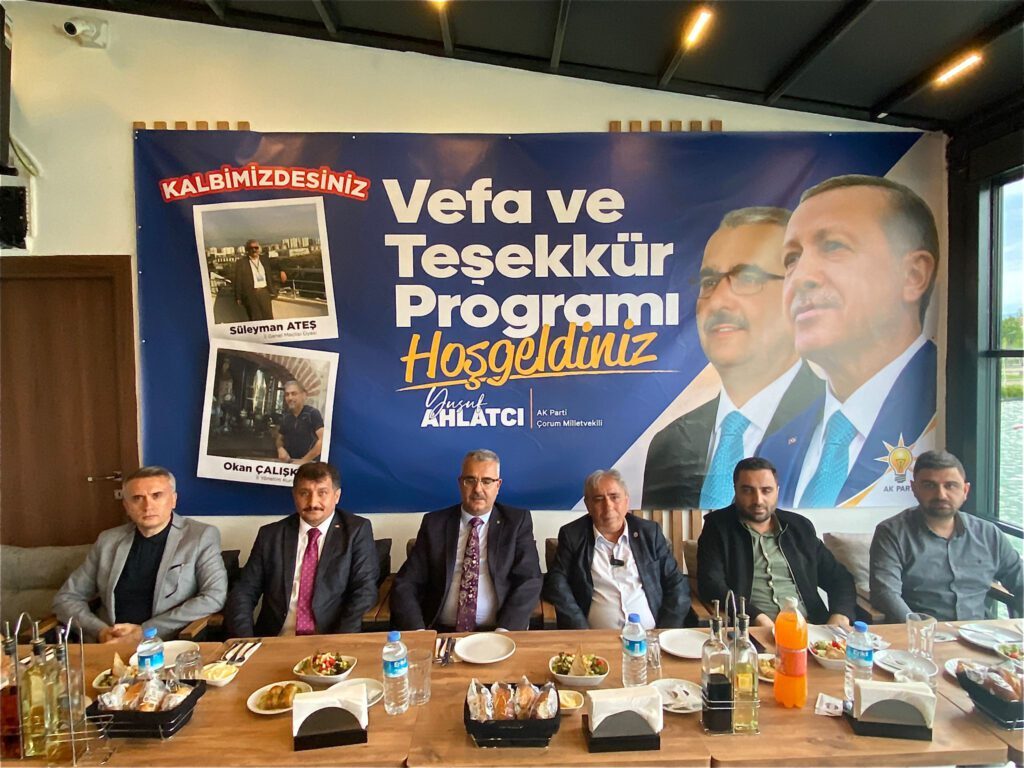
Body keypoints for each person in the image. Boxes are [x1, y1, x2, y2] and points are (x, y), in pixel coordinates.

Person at [763, 175, 938, 508]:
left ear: (913, 276)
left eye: (833, 247)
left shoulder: (948, 409)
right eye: (791, 259)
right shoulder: (777, 447)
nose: (800, 277)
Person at [643, 207, 823, 509]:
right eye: (709, 282)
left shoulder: (831, 426)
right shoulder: (669, 444)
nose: (717, 300)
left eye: (748, 278)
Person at [53, 466, 227, 643]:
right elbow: (67, 598)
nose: (148, 506)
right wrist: (100, 631)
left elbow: (213, 597)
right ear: (126, 506)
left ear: (174, 500)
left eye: (156, 495)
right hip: (109, 642)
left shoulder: (199, 536)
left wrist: (145, 631)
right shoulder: (108, 541)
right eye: (137, 498)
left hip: (166, 642)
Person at [390, 449, 542, 631]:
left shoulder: (516, 522)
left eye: (487, 481)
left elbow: (529, 580)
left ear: (498, 485)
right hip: (440, 630)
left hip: (498, 631)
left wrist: (505, 631)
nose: (477, 489)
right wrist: (419, 632)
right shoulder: (434, 524)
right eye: (470, 480)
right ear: (460, 483)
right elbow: (406, 583)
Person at [697, 457, 856, 627]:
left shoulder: (799, 527)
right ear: (735, 490)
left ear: (777, 491)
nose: (758, 500)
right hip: (753, 630)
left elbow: (839, 578)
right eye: (748, 490)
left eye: (766, 490)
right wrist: (755, 616)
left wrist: (840, 615)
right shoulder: (718, 527)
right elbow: (711, 585)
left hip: (810, 628)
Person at [223, 462, 378, 636]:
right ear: (294, 495)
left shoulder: (356, 531)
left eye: (322, 493)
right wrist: (244, 641)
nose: (313, 502)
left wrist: (340, 641)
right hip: (277, 639)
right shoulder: (271, 535)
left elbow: (364, 590)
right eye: (304, 493)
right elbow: (244, 591)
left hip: (330, 638)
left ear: (336, 496)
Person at [870, 450, 1023, 623]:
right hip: (920, 633)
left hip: (980, 632)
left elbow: (1020, 580)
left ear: (965, 490)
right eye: (929, 485)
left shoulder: (989, 534)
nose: (941, 495)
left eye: (950, 486)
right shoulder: (891, 533)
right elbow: (885, 593)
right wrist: (920, 629)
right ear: (914, 489)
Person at [543, 469, 690, 630]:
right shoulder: (573, 535)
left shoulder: (649, 533)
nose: (608, 506)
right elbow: (557, 583)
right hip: (594, 637)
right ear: (588, 505)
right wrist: (581, 631)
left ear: (626, 501)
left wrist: (665, 632)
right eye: (599, 499)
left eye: (614, 497)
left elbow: (677, 584)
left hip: (651, 635)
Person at [276, 379, 324, 464]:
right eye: (287, 394)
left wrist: (304, 461)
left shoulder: (312, 413)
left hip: (310, 465)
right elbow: (279, 439)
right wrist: (280, 449)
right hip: (290, 465)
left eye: (294, 394)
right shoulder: (286, 417)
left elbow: (322, 440)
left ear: (304, 395)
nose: (290, 398)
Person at [233, 239, 279, 321]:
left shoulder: (264, 259)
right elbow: (238, 281)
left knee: (268, 317)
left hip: (264, 293)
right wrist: (238, 297)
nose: (254, 250)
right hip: (251, 294)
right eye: (251, 248)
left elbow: (277, 263)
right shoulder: (241, 263)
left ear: (259, 249)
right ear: (247, 250)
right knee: (255, 319)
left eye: (256, 248)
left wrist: (282, 271)